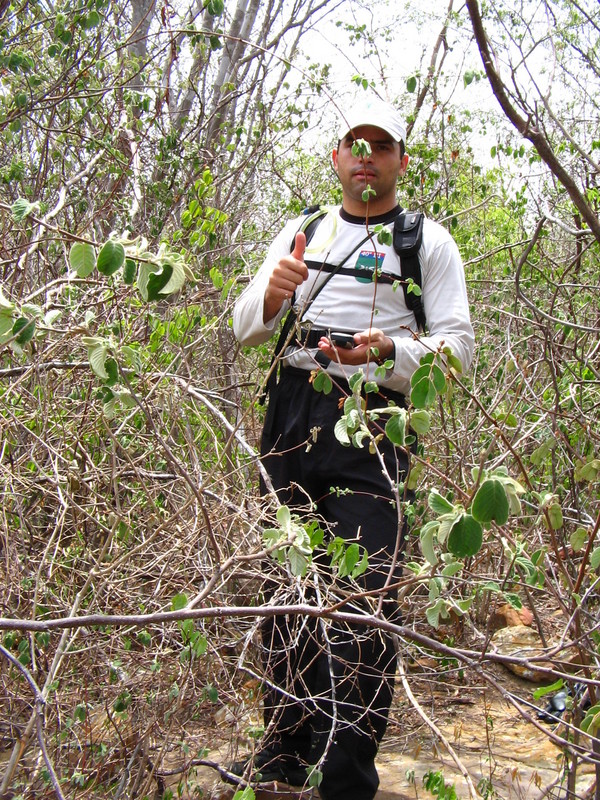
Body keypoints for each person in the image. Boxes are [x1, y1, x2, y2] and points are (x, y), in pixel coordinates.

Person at [231, 97, 474, 800]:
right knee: (287, 591)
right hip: (291, 413)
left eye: (381, 145)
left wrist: (389, 348)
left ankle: (344, 779)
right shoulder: (302, 231)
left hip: (374, 422)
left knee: (364, 601)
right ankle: (281, 755)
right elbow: (244, 329)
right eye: (354, 144)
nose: (366, 156)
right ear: (337, 158)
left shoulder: (426, 243)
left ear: (399, 160)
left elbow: (456, 350)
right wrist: (272, 296)